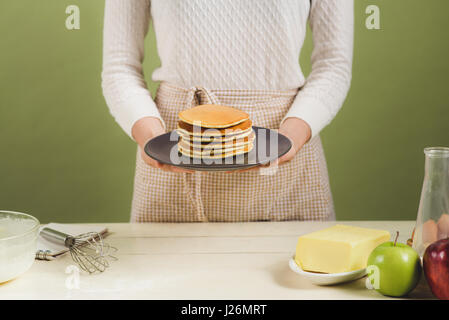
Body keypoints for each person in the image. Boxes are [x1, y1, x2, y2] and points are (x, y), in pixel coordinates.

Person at [102, 0, 353, 222]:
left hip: (286, 162)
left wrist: (290, 137)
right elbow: (119, 67)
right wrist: (151, 138)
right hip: (178, 148)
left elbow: (334, 64)